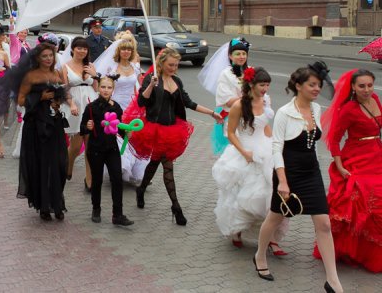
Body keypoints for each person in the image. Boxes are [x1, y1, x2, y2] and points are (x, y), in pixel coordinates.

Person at [254, 66, 343, 293]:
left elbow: (313, 141)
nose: (317, 89)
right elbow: (277, 147)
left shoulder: (315, 107)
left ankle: (333, 280)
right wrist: (282, 181)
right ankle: (260, 255)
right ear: (298, 86)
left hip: (311, 171)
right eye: (312, 85)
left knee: (323, 223)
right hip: (288, 172)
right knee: (275, 217)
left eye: (318, 85)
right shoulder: (285, 112)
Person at [127, 48, 222, 225]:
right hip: (155, 129)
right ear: (162, 64)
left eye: (176, 65)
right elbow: (141, 101)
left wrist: (211, 113)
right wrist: (150, 85)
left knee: (155, 163)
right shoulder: (152, 79)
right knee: (167, 167)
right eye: (170, 65)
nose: (173, 68)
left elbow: (188, 103)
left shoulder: (177, 80)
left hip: (172, 130)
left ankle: (141, 190)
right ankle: (176, 207)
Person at [212, 67, 287, 251]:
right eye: (262, 84)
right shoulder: (239, 105)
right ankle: (237, 229)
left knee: (269, 193)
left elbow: (265, 127)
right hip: (244, 150)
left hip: (265, 149)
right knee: (243, 194)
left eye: (268, 85)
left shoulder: (265, 100)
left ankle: (271, 238)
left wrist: (275, 146)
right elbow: (230, 133)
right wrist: (244, 152)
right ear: (251, 84)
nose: (265, 88)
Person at [314, 69, 382, 273]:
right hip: (356, 158)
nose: (366, 89)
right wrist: (340, 166)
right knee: (358, 201)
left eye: (370, 85)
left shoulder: (376, 100)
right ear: (352, 87)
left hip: (376, 155)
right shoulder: (348, 109)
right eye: (361, 86)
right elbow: (334, 139)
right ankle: (352, 251)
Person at [16, 43, 69, 221]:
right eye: (44, 56)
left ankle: (56, 200)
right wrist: (40, 98)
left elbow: (61, 95)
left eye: (50, 56)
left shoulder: (56, 74)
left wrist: (58, 101)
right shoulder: (30, 76)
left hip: (54, 124)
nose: (48, 59)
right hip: (37, 126)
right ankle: (46, 205)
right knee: (42, 164)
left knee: (60, 163)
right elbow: (21, 100)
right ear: (38, 58)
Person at [80, 75, 134, 226]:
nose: (105, 90)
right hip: (95, 149)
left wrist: (127, 132)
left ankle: (118, 214)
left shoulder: (116, 107)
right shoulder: (91, 107)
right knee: (96, 181)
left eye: (109, 87)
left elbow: (120, 127)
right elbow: (82, 128)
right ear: (98, 88)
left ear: (113, 89)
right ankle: (96, 209)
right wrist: (87, 127)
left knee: (117, 180)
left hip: (112, 148)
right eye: (103, 87)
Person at [94, 38, 147, 185]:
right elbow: (105, 86)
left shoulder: (135, 67)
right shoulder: (112, 69)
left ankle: (134, 172)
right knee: (117, 136)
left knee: (132, 137)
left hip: (132, 106)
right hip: (115, 105)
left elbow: (138, 87)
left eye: (129, 49)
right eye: (123, 49)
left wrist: (141, 105)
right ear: (119, 51)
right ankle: (119, 168)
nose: (126, 52)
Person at [60, 36, 98, 190]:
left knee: (90, 144)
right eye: (79, 48)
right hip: (74, 106)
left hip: (90, 103)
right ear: (73, 49)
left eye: (85, 48)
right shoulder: (65, 67)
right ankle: (68, 166)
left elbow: (96, 88)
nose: (82, 51)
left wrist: (95, 75)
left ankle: (89, 180)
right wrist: (71, 103)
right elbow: (63, 89)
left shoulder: (90, 66)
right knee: (75, 146)